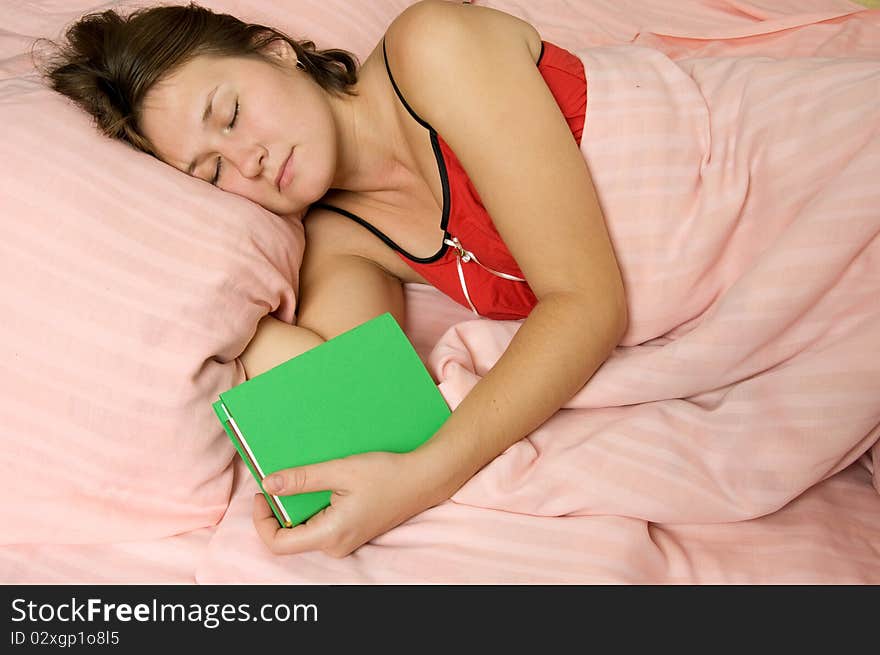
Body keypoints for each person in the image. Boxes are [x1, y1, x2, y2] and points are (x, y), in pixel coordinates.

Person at [43, 0, 627, 558]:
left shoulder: (432, 47)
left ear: (273, 51)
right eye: (213, 172)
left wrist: (421, 480)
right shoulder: (341, 239)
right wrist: (226, 314)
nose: (248, 161)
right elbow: (343, 418)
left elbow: (586, 303)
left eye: (232, 114)